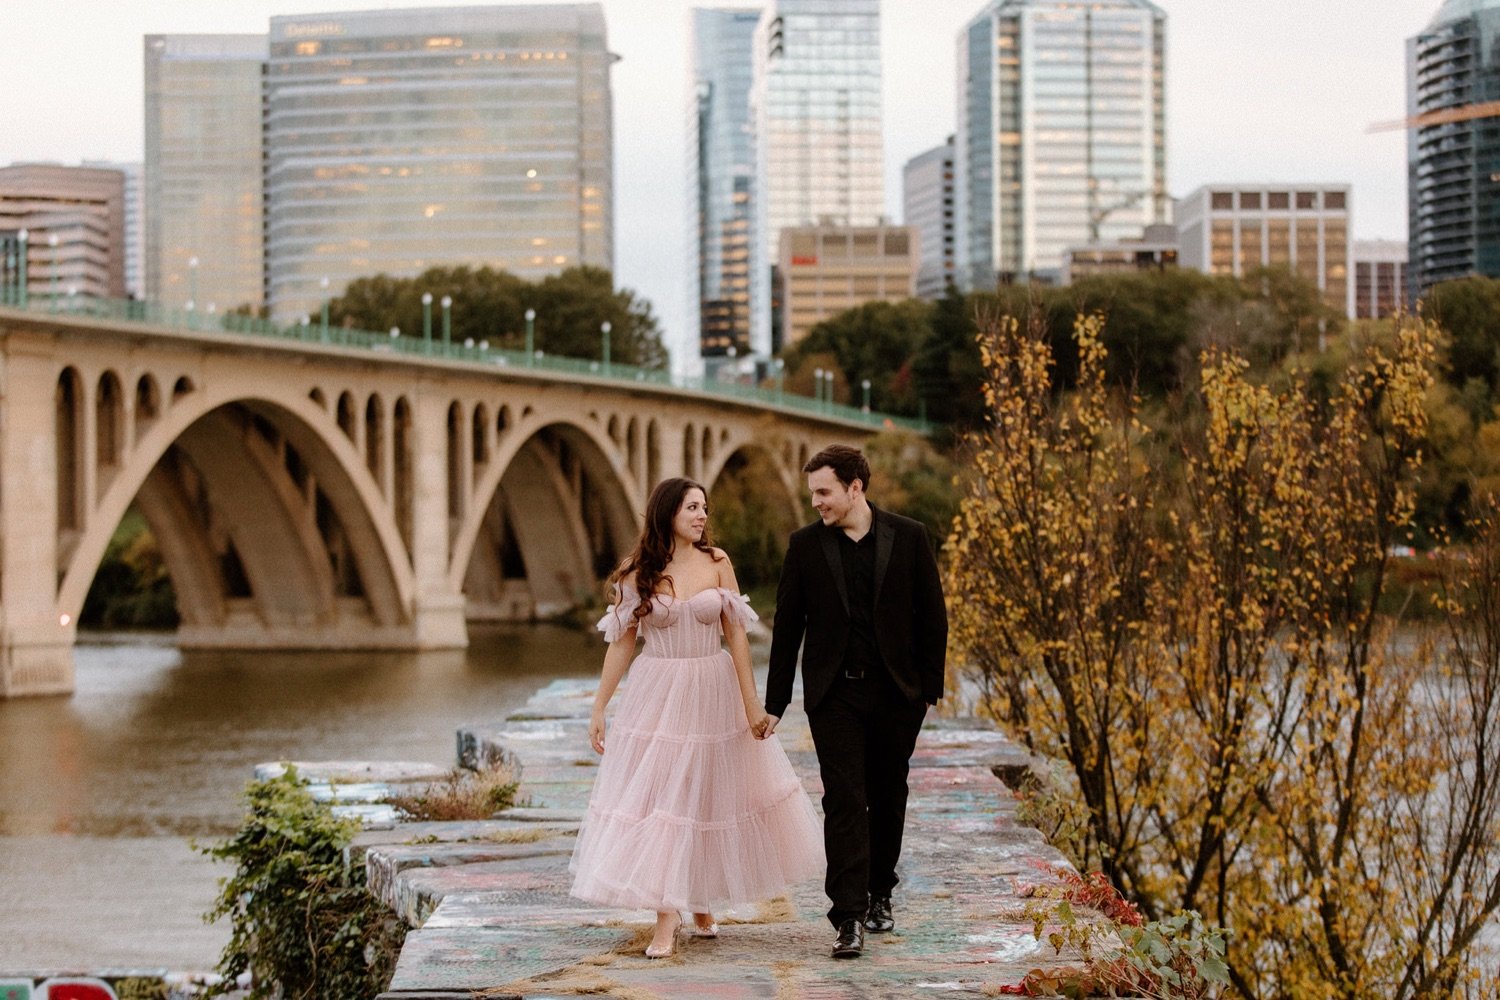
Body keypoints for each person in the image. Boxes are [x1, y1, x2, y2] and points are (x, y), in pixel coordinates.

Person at [568, 477, 824, 958]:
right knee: (666, 798)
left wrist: (753, 703)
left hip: (713, 685)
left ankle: (700, 896)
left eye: (704, 507)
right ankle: (668, 915)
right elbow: (622, 643)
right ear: (667, 513)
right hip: (658, 691)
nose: (702, 515)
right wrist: (599, 707)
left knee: (707, 791)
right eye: (692, 507)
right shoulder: (637, 570)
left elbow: (738, 637)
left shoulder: (717, 562)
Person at [762, 444, 948, 959]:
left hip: (896, 694)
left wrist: (928, 689)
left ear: (855, 487)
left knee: (888, 795)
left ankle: (880, 893)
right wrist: (775, 703)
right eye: (813, 493)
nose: (816, 502)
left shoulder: (909, 537)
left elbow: (932, 614)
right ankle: (847, 916)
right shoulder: (804, 547)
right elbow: (787, 629)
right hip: (834, 695)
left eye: (823, 492)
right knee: (844, 800)